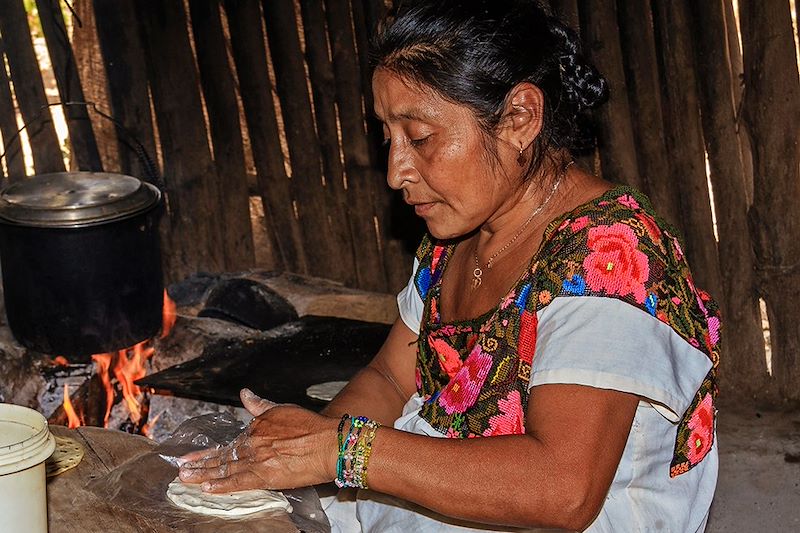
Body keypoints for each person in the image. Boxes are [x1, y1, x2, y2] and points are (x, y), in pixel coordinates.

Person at [178, 1, 720, 531]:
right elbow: (392, 377)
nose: (396, 172)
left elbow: (563, 490)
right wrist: (303, 449)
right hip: (453, 484)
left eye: (419, 138)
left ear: (519, 118)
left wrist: (343, 451)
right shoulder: (457, 235)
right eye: (387, 138)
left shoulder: (608, 260)